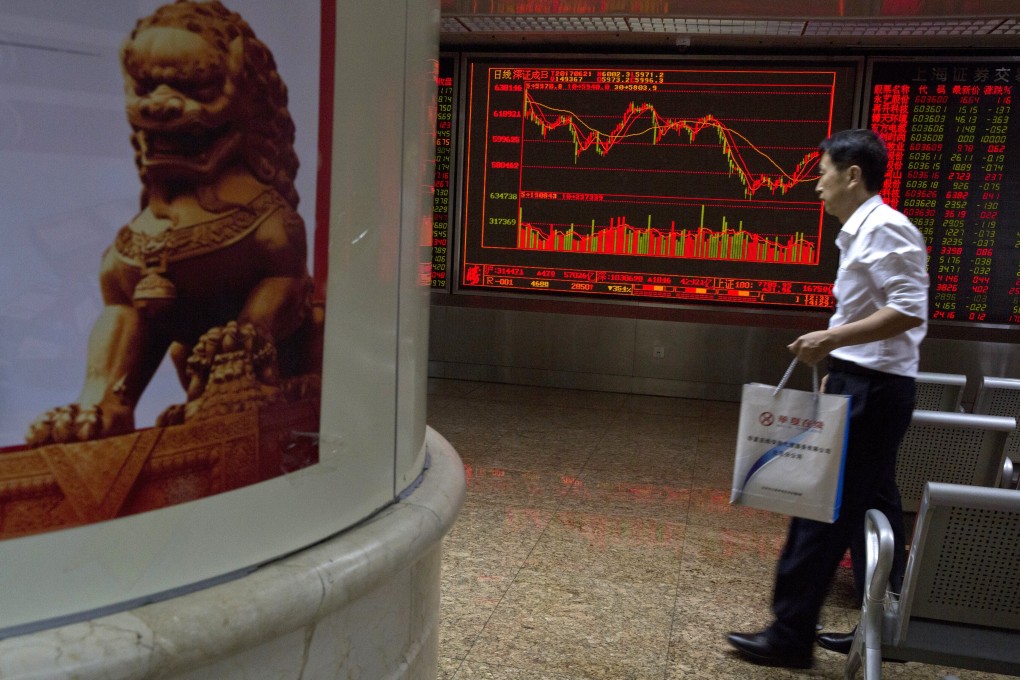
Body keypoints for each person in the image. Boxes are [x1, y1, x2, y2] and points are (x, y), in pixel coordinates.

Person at [726, 128, 929, 669]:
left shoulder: (886, 228)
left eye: (822, 172)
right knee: (875, 502)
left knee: (819, 510)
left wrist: (833, 341)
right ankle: (888, 627)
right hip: (861, 382)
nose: (816, 184)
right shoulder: (862, 232)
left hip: (875, 390)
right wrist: (838, 368)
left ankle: (790, 635)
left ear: (852, 175)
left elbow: (910, 309)